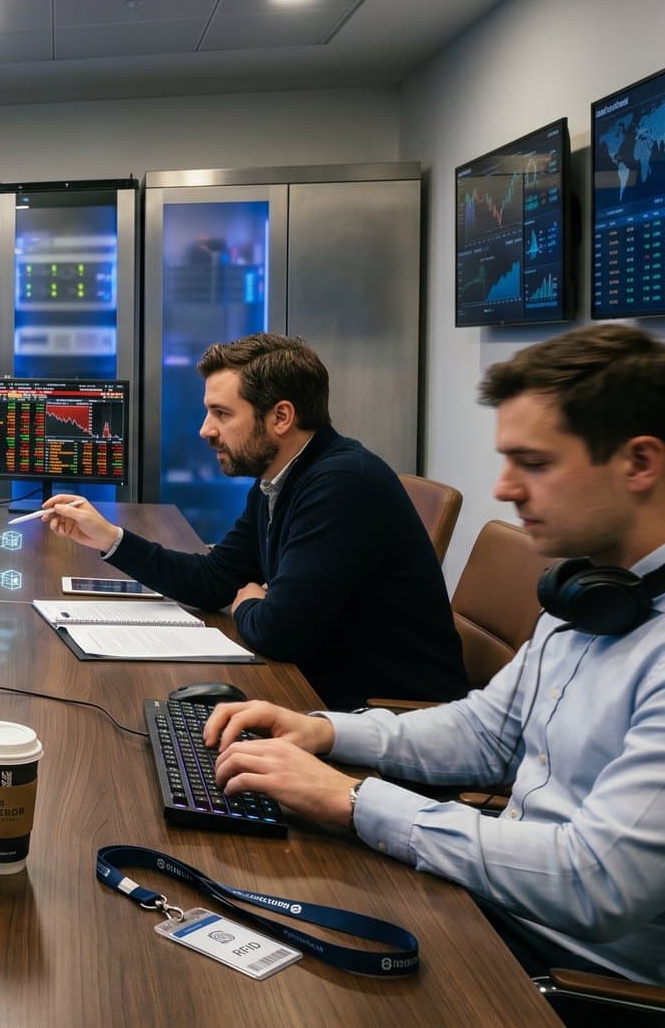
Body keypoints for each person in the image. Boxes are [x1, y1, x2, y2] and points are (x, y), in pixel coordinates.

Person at [203, 324, 665, 994]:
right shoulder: (594, 596)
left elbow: (594, 879)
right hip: (495, 897)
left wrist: (352, 799)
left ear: (639, 463)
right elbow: (484, 733)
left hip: (559, 971)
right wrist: (324, 730)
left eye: (533, 463)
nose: (503, 488)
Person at [42, 333, 465, 709]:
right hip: (322, 691)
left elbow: (278, 633)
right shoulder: (280, 478)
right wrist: (110, 539)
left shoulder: (342, 485)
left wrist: (248, 602)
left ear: (281, 417)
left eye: (222, 414)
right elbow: (212, 580)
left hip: (379, 718)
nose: (205, 430)